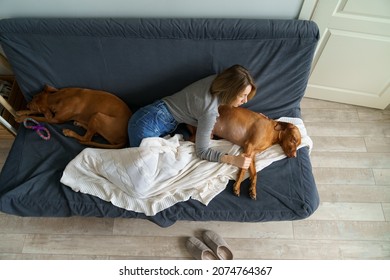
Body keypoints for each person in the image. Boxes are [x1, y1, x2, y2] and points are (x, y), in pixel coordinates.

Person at [127, 64, 257, 169]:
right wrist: (233, 159)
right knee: (144, 178)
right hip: (145, 126)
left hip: (148, 115)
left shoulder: (217, 80)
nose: (245, 101)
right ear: (230, 90)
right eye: (242, 96)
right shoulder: (209, 111)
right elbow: (202, 152)